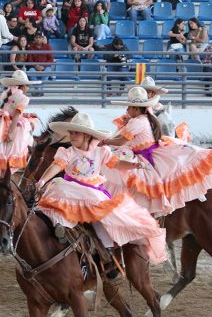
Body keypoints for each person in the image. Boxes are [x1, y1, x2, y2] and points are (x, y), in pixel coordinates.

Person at [35, 111, 167, 282]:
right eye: (71, 132)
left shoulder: (101, 152)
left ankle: (108, 256)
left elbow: (117, 163)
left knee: (103, 221)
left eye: (76, 132)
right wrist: (43, 180)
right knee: (54, 201)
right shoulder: (67, 152)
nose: (72, 136)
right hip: (69, 189)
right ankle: (60, 232)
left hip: (91, 191)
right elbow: (56, 166)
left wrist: (134, 165)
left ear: (87, 135)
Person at [102, 87, 212, 216]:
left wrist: (104, 142)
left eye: (129, 107)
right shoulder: (145, 117)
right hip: (145, 150)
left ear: (136, 108)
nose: (127, 110)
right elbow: (120, 137)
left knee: (121, 172)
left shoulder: (139, 121)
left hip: (144, 154)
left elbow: (120, 141)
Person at [26, 31, 54, 96]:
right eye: (36, 37)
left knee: (48, 70)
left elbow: (51, 59)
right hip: (34, 67)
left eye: (40, 37)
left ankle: (37, 90)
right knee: (30, 71)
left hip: (45, 67)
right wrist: (35, 66)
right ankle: (40, 90)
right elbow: (29, 60)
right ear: (34, 39)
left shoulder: (47, 47)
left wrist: (43, 66)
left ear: (42, 38)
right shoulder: (31, 47)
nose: (38, 39)